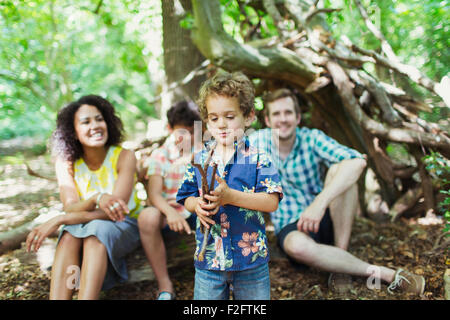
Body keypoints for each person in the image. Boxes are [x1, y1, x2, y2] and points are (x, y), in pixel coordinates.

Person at [249, 88, 426, 295]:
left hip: (326, 217)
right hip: (291, 225)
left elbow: (358, 161)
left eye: (288, 113)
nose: (283, 119)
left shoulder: (311, 138)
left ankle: (341, 260)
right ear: (268, 120)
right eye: (276, 114)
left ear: (298, 118)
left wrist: (319, 204)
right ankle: (386, 274)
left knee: (341, 167)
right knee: (296, 246)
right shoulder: (256, 143)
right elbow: (227, 158)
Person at [176, 71, 283, 300]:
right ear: (206, 122)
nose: (222, 124)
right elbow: (186, 197)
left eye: (230, 116)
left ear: (248, 116)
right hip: (209, 260)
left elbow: (271, 201)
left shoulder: (258, 158)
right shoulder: (199, 159)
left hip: (251, 261)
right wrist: (196, 205)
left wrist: (230, 197)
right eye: (214, 118)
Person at [26, 95, 142, 300]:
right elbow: (71, 207)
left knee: (92, 230)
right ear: (73, 132)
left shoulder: (124, 156)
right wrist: (96, 197)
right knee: (70, 234)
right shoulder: (67, 163)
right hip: (84, 227)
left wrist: (61, 218)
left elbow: (115, 212)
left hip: (126, 225)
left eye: (99, 119)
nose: (95, 125)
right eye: (86, 122)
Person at [137, 100, 200, 300]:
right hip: (169, 212)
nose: (188, 137)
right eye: (183, 132)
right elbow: (154, 194)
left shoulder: (203, 152)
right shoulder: (161, 156)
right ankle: (165, 285)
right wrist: (170, 212)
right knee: (147, 216)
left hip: (196, 211)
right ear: (170, 129)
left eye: (193, 131)